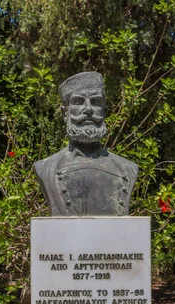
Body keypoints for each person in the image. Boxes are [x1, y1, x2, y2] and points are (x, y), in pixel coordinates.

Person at [34, 71, 138, 216]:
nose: (88, 109)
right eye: (78, 101)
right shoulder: (45, 168)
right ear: (65, 113)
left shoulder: (128, 169)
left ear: (104, 112)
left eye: (95, 102)